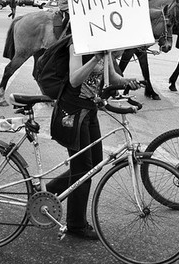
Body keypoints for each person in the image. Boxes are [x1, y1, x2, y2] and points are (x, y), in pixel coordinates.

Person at [46, 45, 140, 239]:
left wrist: (127, 82)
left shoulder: (104, 48)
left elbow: (112, 77)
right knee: (83, 168)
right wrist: (95, 58)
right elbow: (74, 80)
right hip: (73, 112)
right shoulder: (77, 45)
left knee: (95, 163)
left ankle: (54, 189)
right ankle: (76, 224)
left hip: (90, 110)